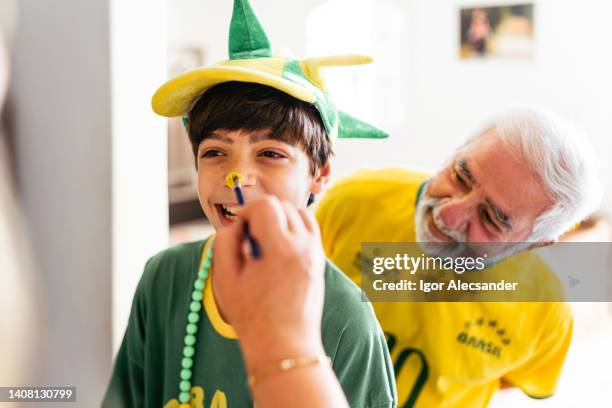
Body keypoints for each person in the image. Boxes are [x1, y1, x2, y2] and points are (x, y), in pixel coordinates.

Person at [103, 1, 396, 407]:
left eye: (271, 154)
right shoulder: (164, 277)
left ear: (321, 172)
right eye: (214, 153)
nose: (237, 177)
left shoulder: (345, 319)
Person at [316, 109, 603, 407]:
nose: (447, 214)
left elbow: (514, 381)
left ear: (533, 244)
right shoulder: (357, 201)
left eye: (491, 217)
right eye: (461, 176)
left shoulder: (545, 310)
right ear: (458, 150)